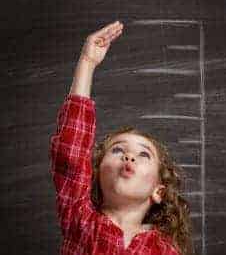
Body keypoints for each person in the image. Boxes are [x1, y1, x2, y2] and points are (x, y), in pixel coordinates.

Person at [49, 20, 194, 255]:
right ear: (95, 175)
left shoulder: (165, 250)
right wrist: (87, 64)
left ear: (159, 191)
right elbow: (71, 153)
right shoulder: (81, 219)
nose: (129, 156)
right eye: (117, 150)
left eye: (144, 154)